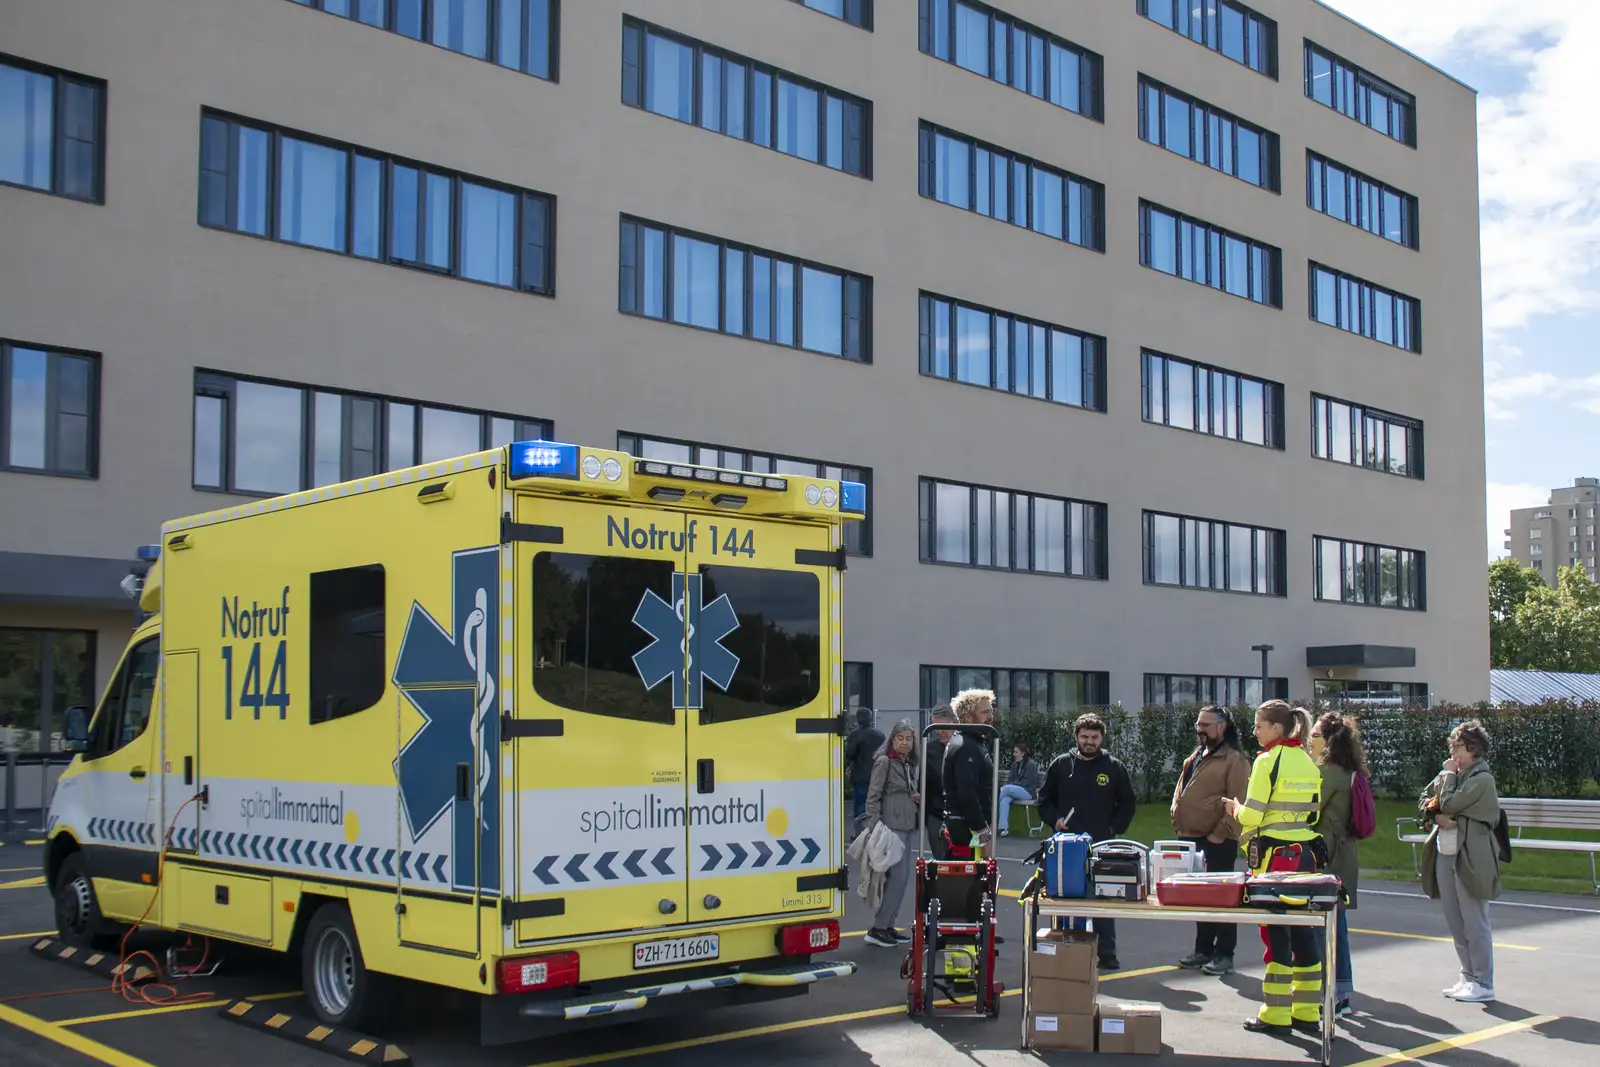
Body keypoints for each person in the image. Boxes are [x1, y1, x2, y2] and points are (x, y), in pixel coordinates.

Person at [1223, 700, 1324, 1035]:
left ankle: (1276, 1015)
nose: (1255, 731)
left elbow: (1253, 815)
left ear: (1276, 728)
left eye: (1259, 725)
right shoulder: (1307, 761)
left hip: (1275, 859)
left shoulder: (1267, 761)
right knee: (1304, 932)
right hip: (1306, 856)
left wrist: (1235, 809)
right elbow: (1314, 814)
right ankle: (1307, 1011)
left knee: (1276, 933)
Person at [1038, 712, 1136, 971]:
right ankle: (1067, 950)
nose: (1089, 741)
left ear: (1102, 738)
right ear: (1076, 737)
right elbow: (1044, 800)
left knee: (1103, 899)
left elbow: (1128, 802)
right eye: (1084, 737)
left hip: (1102, 845)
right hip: (1066, 847)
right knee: (1066, 899)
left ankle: (1108, 953)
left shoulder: (1114, 767)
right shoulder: (1061, 765)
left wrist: (1114, 827)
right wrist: (1055, 819)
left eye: (1094, 737)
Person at [1419, 721, 1502, 1004]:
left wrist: (1446, 778)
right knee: (1455, 918)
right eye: (1452, 746)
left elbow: (1451, 803)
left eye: (1457, 746)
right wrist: (1436, 817)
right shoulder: (1452, 774)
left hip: (1472, 856)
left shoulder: (1481, 779)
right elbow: (1425, 799)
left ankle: (1484, 981)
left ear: (1472, 748)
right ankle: (1468, 976)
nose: (1452, 751)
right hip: (1446, 851)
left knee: (1474, 920)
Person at [1170, 705, 1250, 976]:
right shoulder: (1196, 756)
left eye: (1205, 725)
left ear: (1222, 727)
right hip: (1192, 840)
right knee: (1200, 899)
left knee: (1222, 899)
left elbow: (1239, 801)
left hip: (1218, 842)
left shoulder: (1235, 760)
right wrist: (1176, 817)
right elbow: (1181, 791)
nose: (1200, 729)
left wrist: (1219, 834)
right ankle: (1203, 950)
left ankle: (1224, 954)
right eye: (1198, 724)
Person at [1311, 711, 1367, 1018]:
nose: (1310, 740)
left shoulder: (1328, 772)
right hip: (1343, 854)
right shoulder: (1346, 769)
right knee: (1336, 925)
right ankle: (1341, 992)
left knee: (1325, 929)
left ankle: (1332, 993)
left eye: (1316, 735)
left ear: (1329, 740)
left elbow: (1309, 811)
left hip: (1327, 855)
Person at [863, 720, 921, 948]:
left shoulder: (908, 764)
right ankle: (878, 928)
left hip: (906, 824)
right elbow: (873, 795)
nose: (905, 742)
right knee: (897, 877)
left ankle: (887, 925)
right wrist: (874, 827)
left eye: (908, 739)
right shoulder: (885, 762)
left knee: (902, 879)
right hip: (890, 826)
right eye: (900, 738)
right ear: (892, 740)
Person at [942, 689, 998, 858]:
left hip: (969, 827)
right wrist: (983, 831)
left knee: (980, 872)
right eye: (985, 712)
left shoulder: (973, 743)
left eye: (991, 711)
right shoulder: (966, 746)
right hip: (966, 829)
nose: (991, 716)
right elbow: (967, 793)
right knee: (972, 873)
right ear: (967, 717)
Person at [922, 705, 956, 859]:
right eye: (935, 727)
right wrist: (927, 819)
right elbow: (925, 785)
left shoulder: (967, 746)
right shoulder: (929, 749)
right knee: (941, 862)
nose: (939, 731)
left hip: (963, 817)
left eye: (942, 726)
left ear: (954, 722)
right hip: (937, 815)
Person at [845, 708, 884, 824]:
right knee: (876, 802)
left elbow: (849, 754)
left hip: (860, 774)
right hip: (877, 773)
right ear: (870, 718)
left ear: (858, 719)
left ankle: (861, 829)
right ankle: (875, 827)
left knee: (860, 805)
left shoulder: (855, 735)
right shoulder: (880, 735)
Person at [998, 743, 1040, 837]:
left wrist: (1014, 784)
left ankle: (991, 804)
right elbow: (1010, 780)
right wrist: (1013, 784)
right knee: (1004, 799)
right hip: (1015, 791)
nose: (1014, 754)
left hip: (1028, 792)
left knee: (1007, 788)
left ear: (1022, 753)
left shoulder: (1031, 765)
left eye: (1016, 752)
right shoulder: (1015, 765)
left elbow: (1029, 782)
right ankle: (1003, 828)